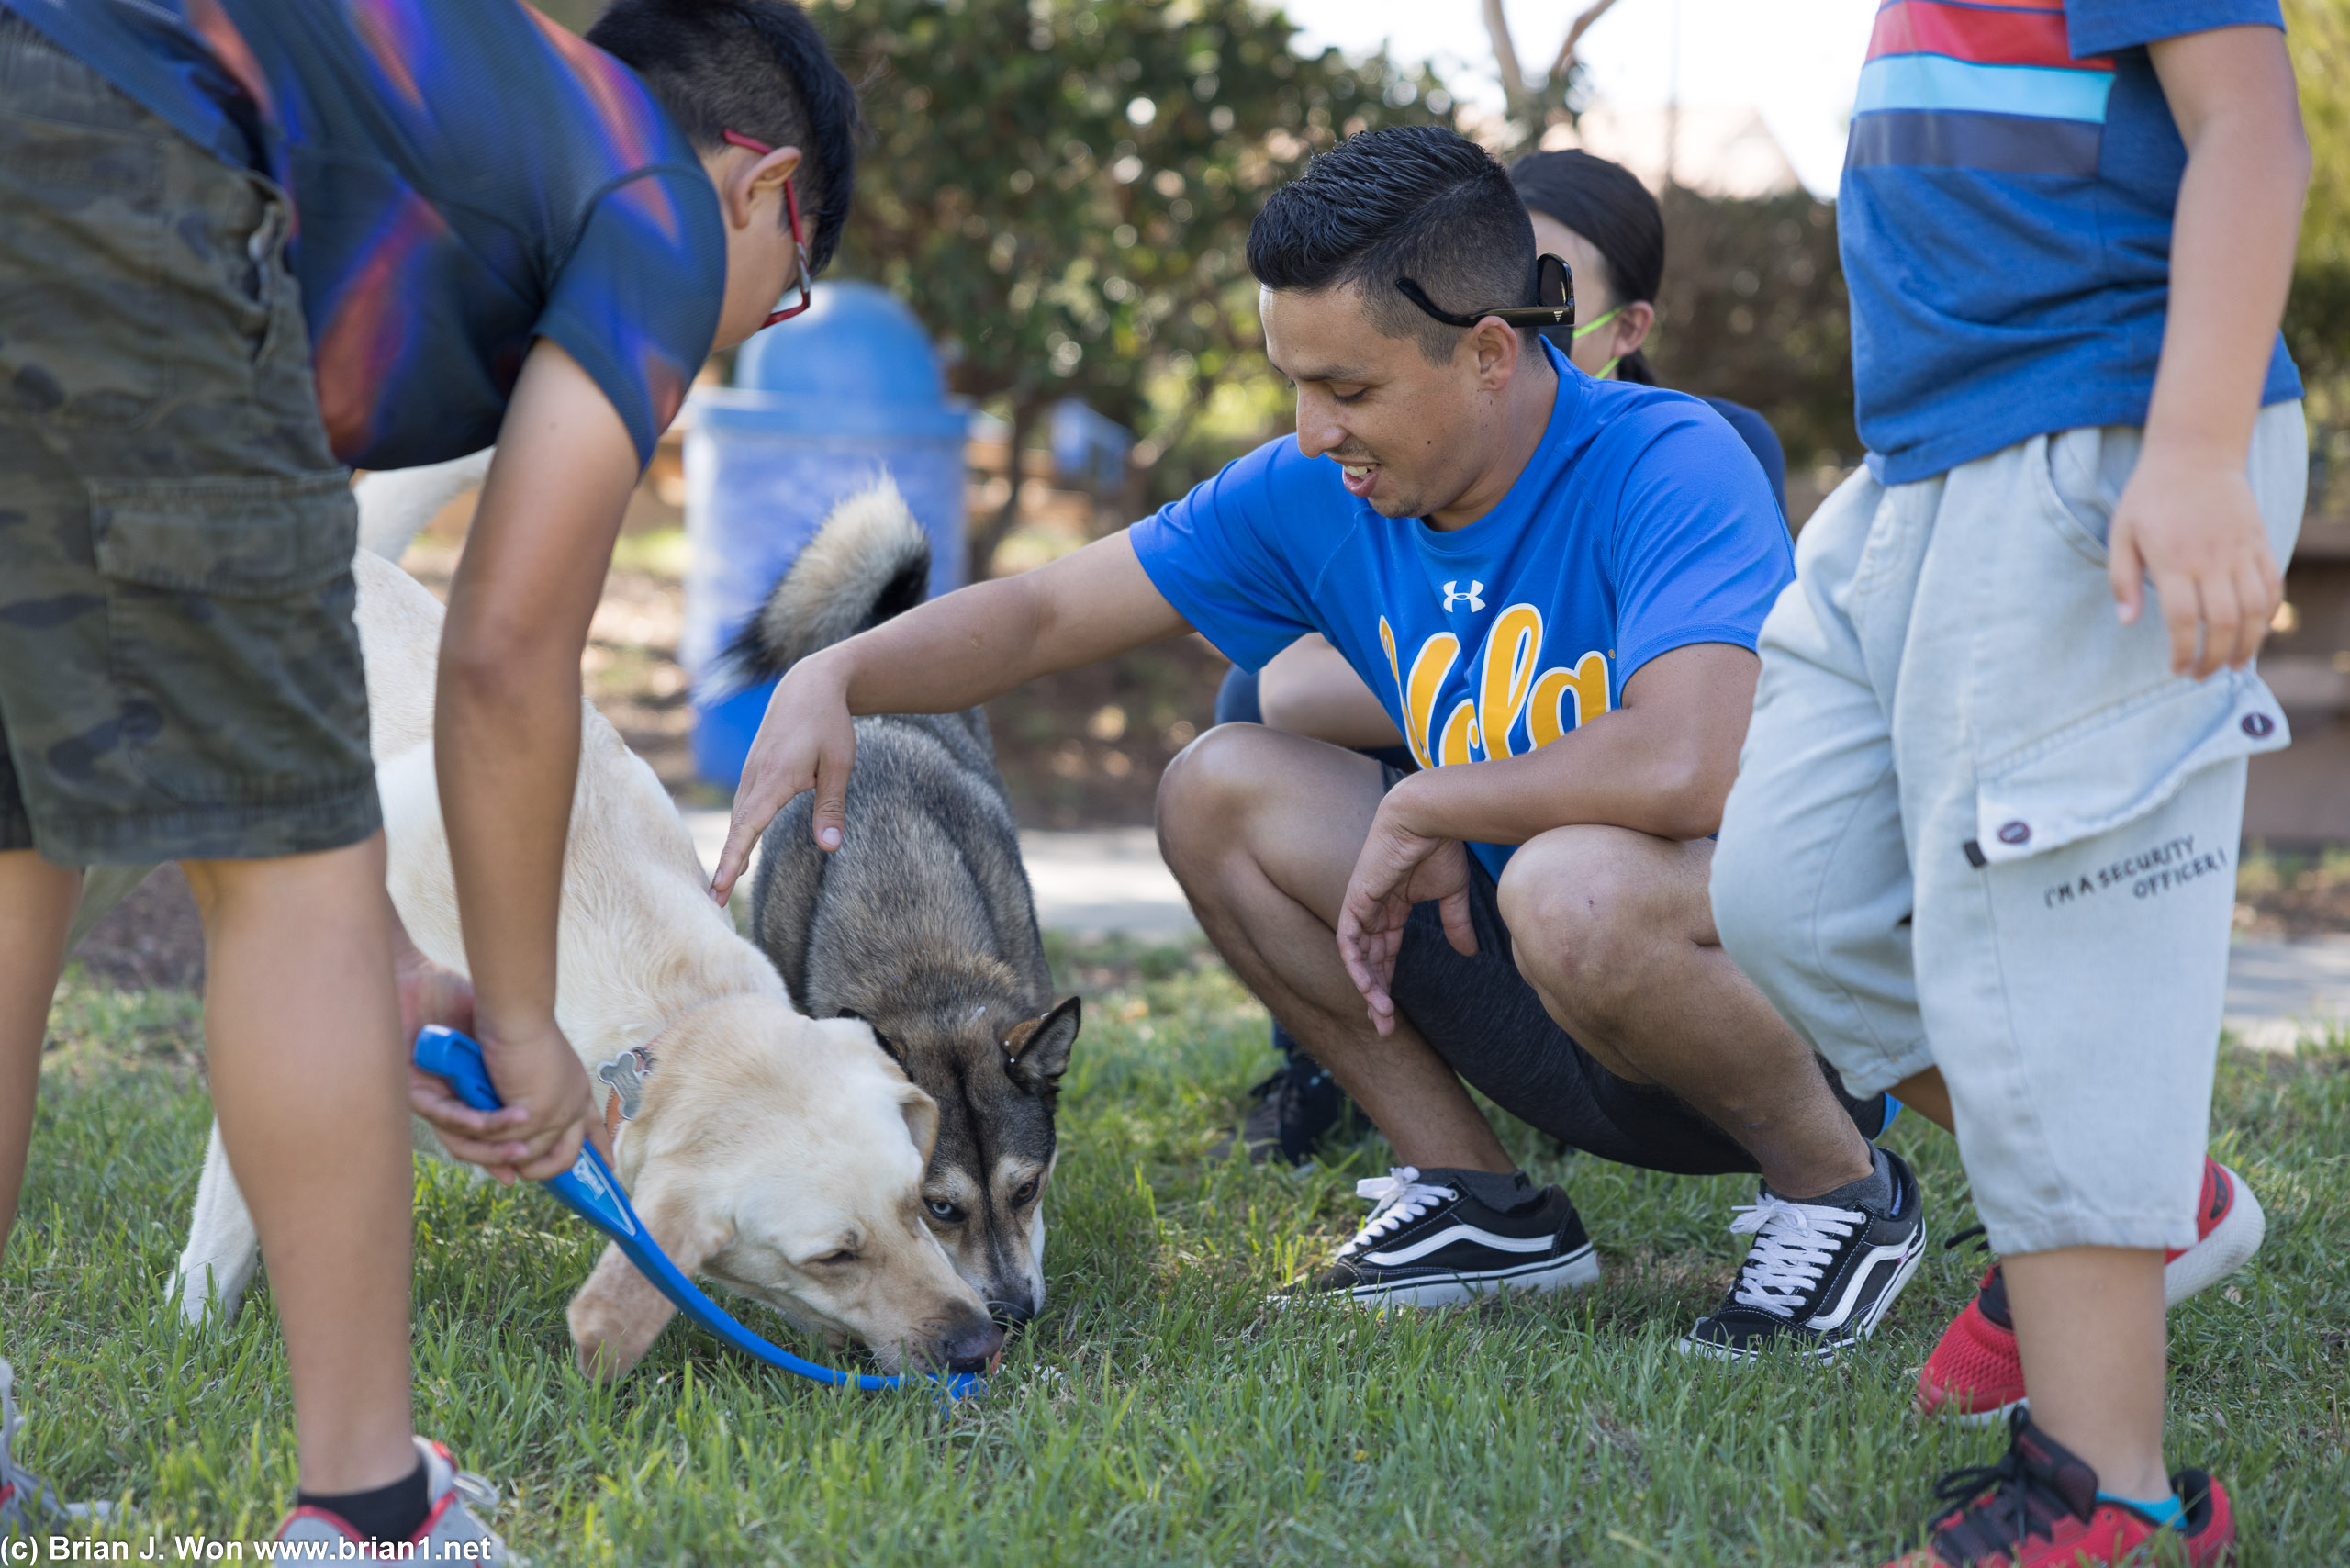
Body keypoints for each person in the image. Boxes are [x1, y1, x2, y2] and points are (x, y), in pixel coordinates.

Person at [714, 125, 1928, 1350]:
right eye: (1296, 382)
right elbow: (1042, 612)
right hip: (1541, 981)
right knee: (1220, 790)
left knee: (1575, 883)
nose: (1311, 429)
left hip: (1751, 1001)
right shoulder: (1316, 489)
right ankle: (1482, 1206)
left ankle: (1841, 1192)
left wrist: (1434, 802)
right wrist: (840, 670)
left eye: (1348, 390)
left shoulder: (1668, 461)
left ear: (1490, 354)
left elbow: (1692, 758)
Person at [0, 0, 856, 1551]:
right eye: (786, 289)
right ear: (764, 184)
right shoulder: (654, 197)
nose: (743, 329)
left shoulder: (422, 159)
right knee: (290, 889)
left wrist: (401, 953)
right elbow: (505, 649)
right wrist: (522, 1018)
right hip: (134, 174)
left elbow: (268, 622)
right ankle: (374, 1513)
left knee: (11, 864)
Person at [1708, 4, 2303, 1562]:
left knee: (2047, 962)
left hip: (2100, 435)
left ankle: (2108, 1493)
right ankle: (2127, 1205)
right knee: (1790, 894)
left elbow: (2253, 129)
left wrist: (2189, 450)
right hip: (1922, 463)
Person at [1215, 147, 1791, 1165]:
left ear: (1623, 330)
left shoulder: (1691, 453)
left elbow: (1687, 742)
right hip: (1487, 853)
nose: (1519, 329)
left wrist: (1458, 754)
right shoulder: (1392, 469)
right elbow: (1279, 687)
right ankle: (1398, 1121)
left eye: (1549, 300)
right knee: (1233, 740)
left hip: (1634, 872)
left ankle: (1822, 1168)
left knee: (1569, 878)